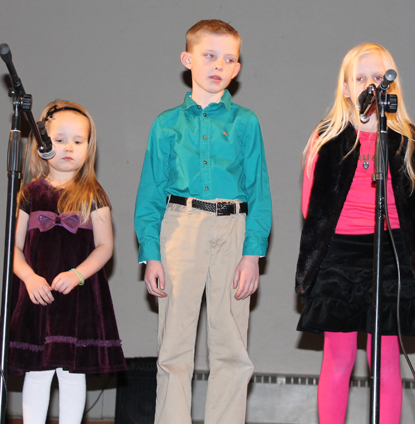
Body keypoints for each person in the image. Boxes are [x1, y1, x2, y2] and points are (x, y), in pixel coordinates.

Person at [134, 19, 272, 424]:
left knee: (231, 346)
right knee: (174, 347)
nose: (218, 65)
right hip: (180, 228)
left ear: (236, 69)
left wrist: (252, 253)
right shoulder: (166, 124)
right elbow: (150, 194)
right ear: (187, 59)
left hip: (233, 229)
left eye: (229, 59)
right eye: (209, 55)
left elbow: (260, 191)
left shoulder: (246, 122)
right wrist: (151, 253)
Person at [295, 43, 415, 424]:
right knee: (339, 357)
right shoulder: (327, 137)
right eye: (361, 78)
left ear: (391, 86)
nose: (371, 85)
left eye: (379, 78)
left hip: (389, 251)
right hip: (340, 254)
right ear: (346, 88)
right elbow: (312, 207)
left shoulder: (406, 138)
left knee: (386, 360)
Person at [0, 100, 126, 424]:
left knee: (71, 372)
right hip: (38, 297)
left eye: (78, 141)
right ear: (42, 144)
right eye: (60, 140)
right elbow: (14, 249)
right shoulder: (29, 194)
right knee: (38, 370)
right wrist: (30, 278)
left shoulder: (94, 194)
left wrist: (78, 273)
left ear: (89, 148)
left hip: (77, 299)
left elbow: (105, 246)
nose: (69, 148)